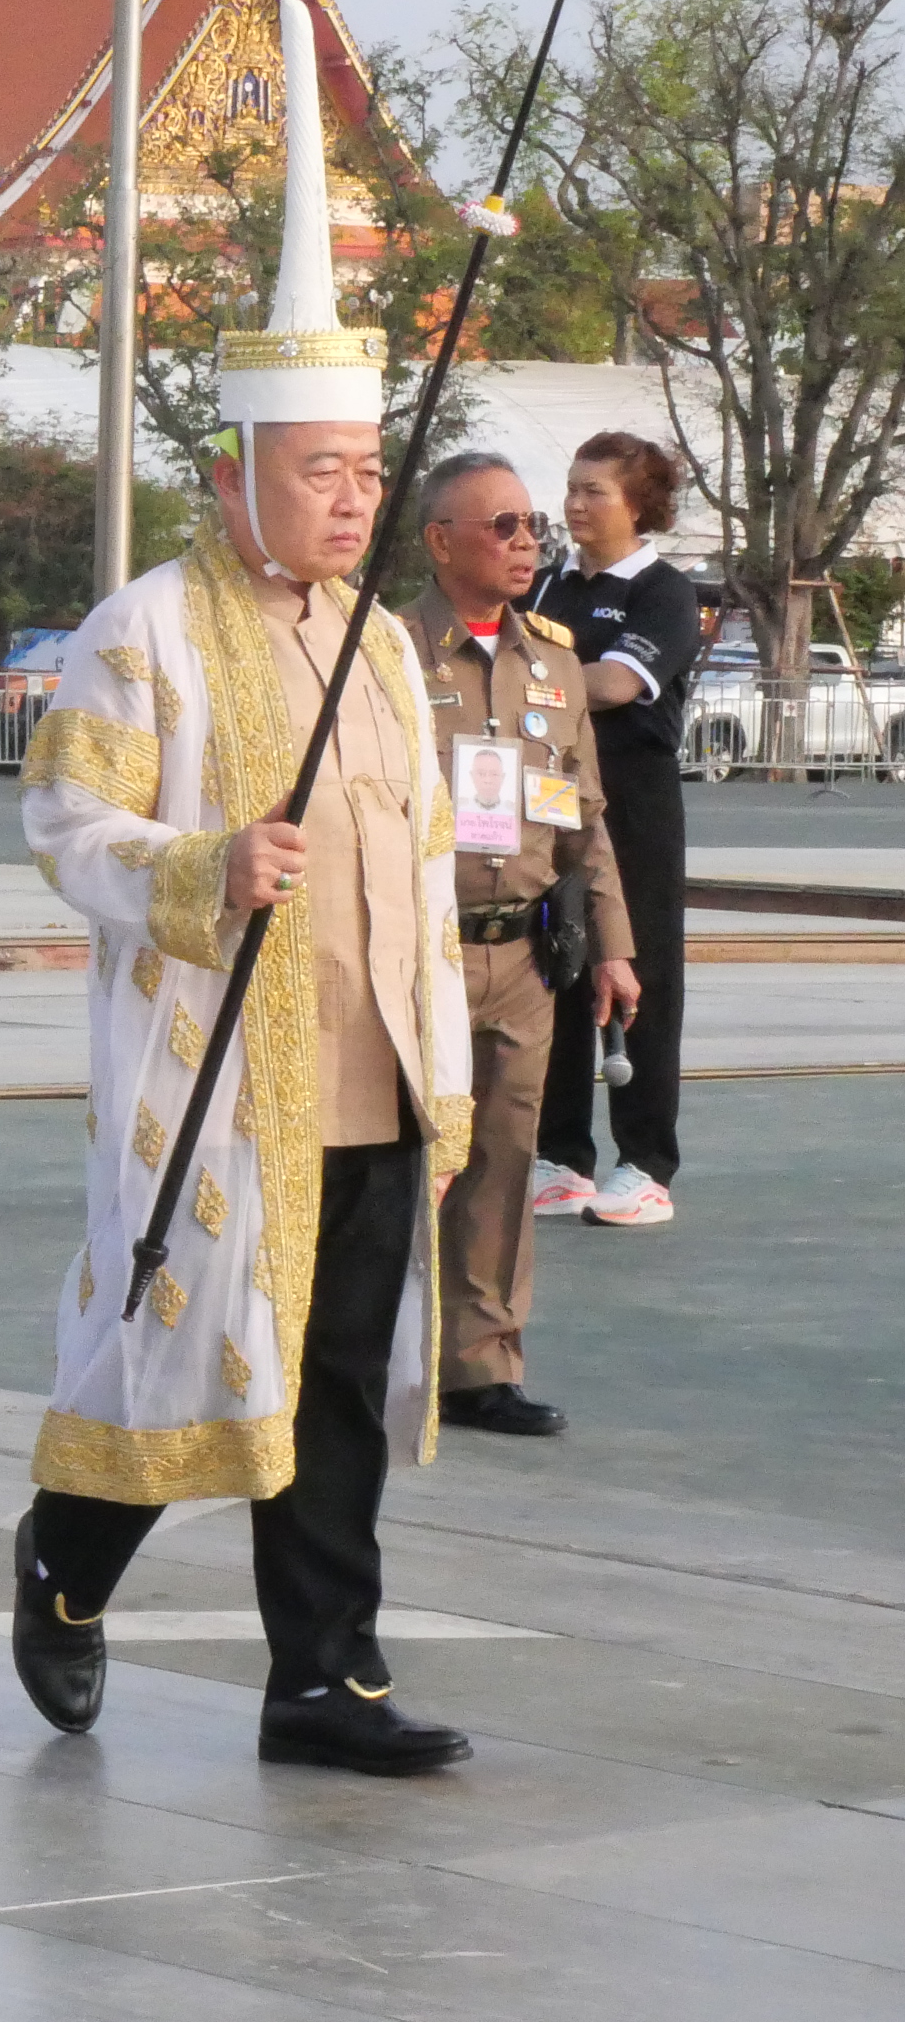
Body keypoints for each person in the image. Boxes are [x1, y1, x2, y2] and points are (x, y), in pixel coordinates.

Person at [7, 0, 473, 1776]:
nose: (349, 502)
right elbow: (66, 827)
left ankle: (319, 1680)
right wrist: (209, 864)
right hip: (213, 1082)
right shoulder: (144, 634)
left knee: (338, 1385)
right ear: (234, 475)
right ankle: (67, 1557)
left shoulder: (382, 645)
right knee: (192, 1362)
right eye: (318, 474)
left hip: (370, 1069)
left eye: (366, 475)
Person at [401, 454, 638, 1437]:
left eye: (528, 522)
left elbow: (584, 816)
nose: (525, 539)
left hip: (523, 955)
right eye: (499, 524)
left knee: (502, 1160)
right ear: (439, 539)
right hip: (416, 952)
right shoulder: (390, 650)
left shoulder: (551, 659)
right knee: (395, 1162)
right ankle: (367, 1351)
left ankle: (479, 1363)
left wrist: (615, 945)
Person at [532, 433, 703, 1231]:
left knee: (642, 978)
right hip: (549, 799)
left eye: (593, 491)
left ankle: (645, 1165)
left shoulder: (664, 592)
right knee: (555, 966)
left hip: (633, 802)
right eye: (570, 488)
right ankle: (560, 1159)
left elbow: (614, 683)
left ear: (639, 504)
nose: (574, 504)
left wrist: (529, 680)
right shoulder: (543, 587)